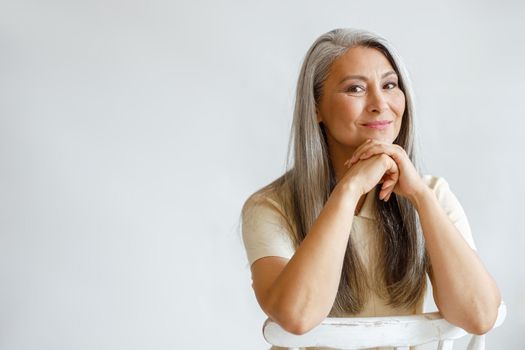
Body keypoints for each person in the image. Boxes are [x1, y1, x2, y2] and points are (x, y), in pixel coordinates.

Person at [241, 28, 501, 349]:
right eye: (355, 88)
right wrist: (348, 191)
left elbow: (479, 315)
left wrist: (420, 196)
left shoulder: (432, 193)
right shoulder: (270, 207)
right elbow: (297, 316)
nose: (380, 104)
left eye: (390, 85)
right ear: (316, 108)